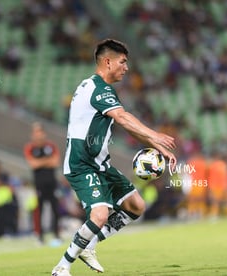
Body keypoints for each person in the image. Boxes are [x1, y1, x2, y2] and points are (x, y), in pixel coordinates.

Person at [51, 39, 176, 276]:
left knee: (136, 205)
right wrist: (155, 134)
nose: (126, 68)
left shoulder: (94, 87)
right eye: (123, 62)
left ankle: (91, 244)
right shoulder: (98, 89)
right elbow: (123, 117)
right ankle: (62, 266)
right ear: (108, 62)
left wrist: (157, 147)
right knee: (100, 214)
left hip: (100, 164)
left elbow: (127, 125)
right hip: (82, 164)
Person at [24, 122, 61, 244]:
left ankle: (56, 234)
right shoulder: (30, 148)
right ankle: (39, 236)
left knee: (55, 209)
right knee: (39, 210)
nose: (38, 136)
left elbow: (55, 162)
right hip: (39, 184)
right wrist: (47, 161)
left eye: (40, 132)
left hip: (52, 183)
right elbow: (33, 164)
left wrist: (40, 162)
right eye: (36, 132)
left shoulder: (51, 146)